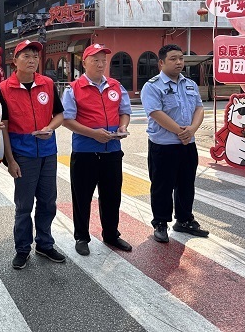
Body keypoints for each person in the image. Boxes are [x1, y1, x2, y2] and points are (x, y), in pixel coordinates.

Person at [0, 39, 65, 269]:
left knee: (48, 202)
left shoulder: (47, 84)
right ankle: (22, 249)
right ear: (15, 61)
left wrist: (49, 128)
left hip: (48, 152)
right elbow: (3, 128)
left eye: (35, 56)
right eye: (26, 56)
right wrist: (10, 160)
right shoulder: (3, 89)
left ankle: (44, 244)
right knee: (24, 205)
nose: (32, 60)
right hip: (23, 155)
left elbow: (59, 115)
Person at [61, 43, 133, 257]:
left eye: (103, 60)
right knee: (82, 197)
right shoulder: (74, 88)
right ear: (84, 63)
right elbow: (67, 120)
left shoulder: (116, 86)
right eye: (95, 60)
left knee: (112, 196)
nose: (101, 64)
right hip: (85, 153)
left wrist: (123, 127)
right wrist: (93, 134)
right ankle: (82, 237)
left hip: (112, 151)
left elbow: (124, 111)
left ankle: (111, 234)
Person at [140, 44, 208, 243]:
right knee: (162, 185)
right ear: (161, 63)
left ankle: (184, 220)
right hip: (163, 145)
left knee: (186, 184)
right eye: (173, 59)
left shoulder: (190, 84)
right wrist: (181, 131)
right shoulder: (152, 86)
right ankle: (161, 223)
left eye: (181, 58)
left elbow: (199, 108)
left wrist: (192, 130)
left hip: (187, 144)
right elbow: (155, 113)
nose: (179, 62)